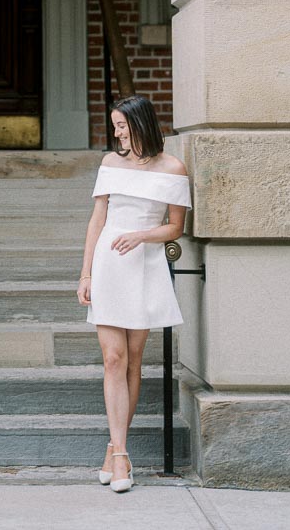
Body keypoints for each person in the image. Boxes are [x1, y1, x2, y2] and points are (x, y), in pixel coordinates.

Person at [77, 94, 191, 493]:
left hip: (144, 264)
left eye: (122, 125)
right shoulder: (110, 163)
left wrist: (142, 235)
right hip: (109, 263)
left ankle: (113, 447)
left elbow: (174, 227)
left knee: (132, 362)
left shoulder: (173, 168)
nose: (117, 133)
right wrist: (85, 273)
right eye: (115, 126)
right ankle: (123, 457)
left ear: (141, 124)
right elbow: (97, 219)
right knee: (113, 358)